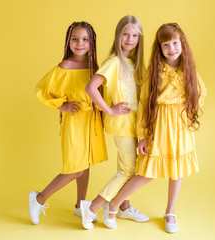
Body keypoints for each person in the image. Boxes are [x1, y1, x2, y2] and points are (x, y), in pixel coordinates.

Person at [101, 23, 207, 233]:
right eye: (166, 45)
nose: (172, 49)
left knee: (176, 171)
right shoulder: (155, 71)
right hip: (159, 126)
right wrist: (142, 136)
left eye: (175, 43)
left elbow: (201, 92)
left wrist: (189, 107)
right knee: (147, 173)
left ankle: (170, 211)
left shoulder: (189, 69)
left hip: (180, 126)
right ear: (159, 48)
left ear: (182, 44)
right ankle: (113, 203)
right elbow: (143, 104)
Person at [29, 21, 107, 225]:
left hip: (90, 122)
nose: (80, 43)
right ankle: (38, 198)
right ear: (68, 42)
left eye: (85, 39)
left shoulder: (93, 67)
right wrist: (62, 106)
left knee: (85, 164)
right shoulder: (64, 67)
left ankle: (80, 205)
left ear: (92, 42)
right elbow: (41, 90)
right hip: (74, 122)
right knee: (75, 168)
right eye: (75, 39)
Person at [80, 15, 149, 230]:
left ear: (140, 38)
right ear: (118, 36)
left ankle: (123, 207)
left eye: (134, 35)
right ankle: (92, 207)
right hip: (121, 125)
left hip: (135, 125)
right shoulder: (113, 62)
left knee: (126, 167)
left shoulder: (136, 64)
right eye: (125, 34)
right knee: (129, 170)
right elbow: (91, 88)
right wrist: (110, 110)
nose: (129, 39)